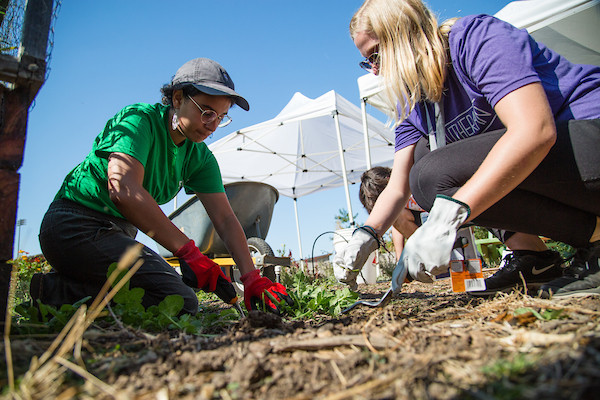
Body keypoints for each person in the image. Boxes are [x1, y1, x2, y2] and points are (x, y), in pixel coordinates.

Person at [336, 0, 600, 299]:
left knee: (432, 173)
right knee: (425, 176)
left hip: (589, 137)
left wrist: (448, 217)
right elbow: (398, 186)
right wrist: (366, 235)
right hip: (566, 169)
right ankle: (538, 256)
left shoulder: (474, 38)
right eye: (366, 61)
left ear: (403, 35)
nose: (374, 71)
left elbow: (535, 130)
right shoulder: (414, 102)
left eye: (377, 55)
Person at [33, 58, 292, 315]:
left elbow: (225, 219)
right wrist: (189, 252)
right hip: (74, 226)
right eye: (207, 112)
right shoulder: (138, 121)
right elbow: (123, 190)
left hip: (118, 235)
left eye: (222, 117)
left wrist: (251, 278)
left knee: (171, 296)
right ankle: (54, 292)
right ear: (178, 98)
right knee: (179, 301)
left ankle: (72, 286)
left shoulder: (199, 157)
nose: (213, 125)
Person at [357, 166, 564, 296]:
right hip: (457, 258)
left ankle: (533, 256)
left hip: (484, 204)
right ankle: (534, 259)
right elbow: (412, 252)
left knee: (479, 201)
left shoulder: (423, 186)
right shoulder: (402, 219)